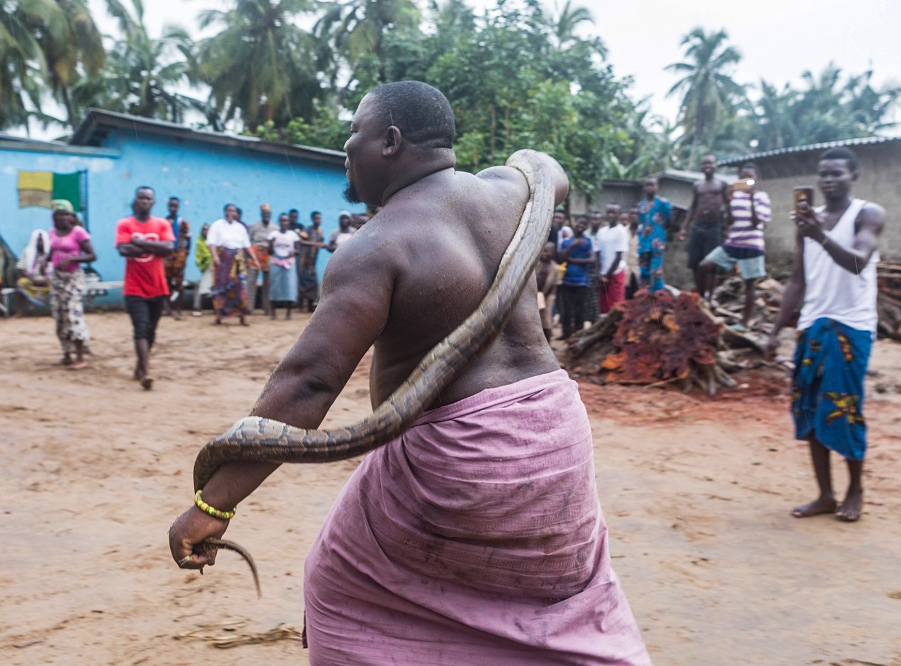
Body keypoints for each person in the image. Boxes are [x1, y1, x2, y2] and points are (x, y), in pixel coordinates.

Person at [169, 80, 649, 664]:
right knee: (552, 602)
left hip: (458, 463)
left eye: (355, 135)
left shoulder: (375, 247)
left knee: (339, 580)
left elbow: (309, 385)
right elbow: (551, 174)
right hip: (557, 440)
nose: (347, 149)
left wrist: (212, 506)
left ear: (391, 142)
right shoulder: (508, 191)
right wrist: (536, 163)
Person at [764, 147, 884, 523]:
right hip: (813, 325)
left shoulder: (867, 214)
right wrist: (774, 330)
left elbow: (858, 261)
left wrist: (819, 234)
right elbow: (797, 281)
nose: (828, 180)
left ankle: (855, 490)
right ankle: (825, 494)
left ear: (854, 176)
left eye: (836, 173)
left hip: (852, 326)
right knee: (810, 408)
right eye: (823, 174)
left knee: (844, 408)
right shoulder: (807, 222)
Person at [698, 163, 772, 329]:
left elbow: (757, 222)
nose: (746, 180)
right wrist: (728, 200)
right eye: (743, 177)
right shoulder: (735, 196)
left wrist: (752, 199)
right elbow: (730, 221)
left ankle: (744, 322)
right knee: (704, 266)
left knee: (749, 284)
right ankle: (705, 303)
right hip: (733, 242)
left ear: (756, 178)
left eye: (750, 177)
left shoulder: (762, 197)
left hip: (752, 244)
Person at [116, 186, 175, 390]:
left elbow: (168, 248)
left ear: (153, 202)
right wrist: (154, 246)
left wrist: (138, 241)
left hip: (158, 287)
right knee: (140, 328)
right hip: (134, 288)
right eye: (141, 198)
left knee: (151, 332)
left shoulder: (161, 224)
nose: (144, 201)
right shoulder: (125, 224)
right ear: (135, 200)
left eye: (148, 198)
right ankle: (146, 373)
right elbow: (123, 250)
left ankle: (140, 366)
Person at [48, 200, 97, 369]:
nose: (62, 218)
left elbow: (92, 255)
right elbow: (53, 250)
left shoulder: (78, 232)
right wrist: (45, 261)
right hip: (57, 278)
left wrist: (72, 259)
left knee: (73, 312)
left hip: (74, 277)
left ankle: (80, 357)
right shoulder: (52, 232)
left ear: (72, 217)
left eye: (66, 214)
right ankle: (66, 354)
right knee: (59, 315)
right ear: (53, 216)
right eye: (59, 214)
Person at [680, 154, 728, 284]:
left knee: (712, 262)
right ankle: (700, 295)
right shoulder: (697, 186)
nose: (707, 166)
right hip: (698, 225)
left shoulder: (721, 185)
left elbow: (728, 207)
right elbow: (693, 206)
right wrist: (684, 227)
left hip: (714, 226)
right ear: (701, 166)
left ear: (715, 165)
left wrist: (727, 227)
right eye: (704, 164)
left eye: (710, 163)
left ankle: (709, 295)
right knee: (695, 262)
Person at [206, 204, 256, 326]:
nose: (231, 213)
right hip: (222, 260)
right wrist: (215, 256)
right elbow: (211, 242)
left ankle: (242, 317)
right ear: (224, 212)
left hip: (238, 261)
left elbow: (247, 246)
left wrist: (255, 259)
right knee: (220, 289)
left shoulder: (240, 227)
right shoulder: (217, 225)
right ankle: (219, 316)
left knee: (241, 288)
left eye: (233, 211)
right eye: (228, 210)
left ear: (236, 213)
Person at [557, 214, 594, 339]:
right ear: (575, 223)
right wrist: (573, 245)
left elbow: (592, 259)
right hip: (567, 279)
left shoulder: (588, 242)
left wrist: (571, 259)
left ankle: (578, 334)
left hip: (582, 281)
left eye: (584, 224)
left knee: (580, 309)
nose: (581, 226)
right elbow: (562, 259)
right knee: (566, 309)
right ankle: (566, 333)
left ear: (586, 227)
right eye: (579, 223)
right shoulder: (566, 242)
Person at [636, 177, 672, 293]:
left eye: (652, 185)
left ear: (657, 186)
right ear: (644, 188)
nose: (650, 187)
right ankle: (646, 298)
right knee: (643, 271)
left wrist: (659, 232)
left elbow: (669, 221)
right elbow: (641, 223)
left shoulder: (663, 203)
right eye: (647, 185)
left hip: (657, 242)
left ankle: (659, 298)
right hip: (644, 242)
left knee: (656, 271)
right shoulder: (641, 205)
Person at [268, 213, 301, 320]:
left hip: (289, 263)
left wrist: (294, 252)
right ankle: (273, 313)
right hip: (276, 262)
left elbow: (297, 250)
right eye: (282, 220)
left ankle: (288, 313)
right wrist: (271, 244)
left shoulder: (293, 235)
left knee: (289, 287)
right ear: (279, 222)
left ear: (288, 222)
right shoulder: (273, 234)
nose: (284, 223)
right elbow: (269, 252)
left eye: (286, 221)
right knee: (274, 286)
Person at [596, 203, 628, 313]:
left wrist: (607, 275)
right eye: (609, 212)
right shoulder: (602, 231)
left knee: (616, 305)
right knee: (603, 305)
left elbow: (618, 256)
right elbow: (598, 254)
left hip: (615, 273)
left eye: (614, 212)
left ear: (619, 214)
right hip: (602, 273)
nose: (611, 215)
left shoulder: (621, 231)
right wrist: (600, 273)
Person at [164, 196, 192, 319]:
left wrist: (186, 252)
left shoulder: (183, 222)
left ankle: (178, 309)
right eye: (171, 205)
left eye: (175, 206)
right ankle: (168, 308)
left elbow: (189, 238)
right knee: (167, 283)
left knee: (179, 284)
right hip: (167, 256)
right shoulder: (164, 222)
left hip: (179, 256)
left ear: (178, 207)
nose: (172, 208)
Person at [13, 229, 51, 317]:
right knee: (21, 283)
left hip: (48, 279)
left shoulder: (50, 253)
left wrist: (46, 278)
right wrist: (32, 278)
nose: (40, 243)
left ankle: (56, 311)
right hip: (31, 278)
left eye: (42, 240)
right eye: (38, 240)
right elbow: (21, 267)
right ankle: (19, 312)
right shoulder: (27, 251)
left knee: (57, 284)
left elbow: (55, 268)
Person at [247, 204, 274, 316]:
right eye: (264, 213)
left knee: (268, 282)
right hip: (255, 254)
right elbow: (248, 241)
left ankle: (266, 308)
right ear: (261, 214)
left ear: (270, 215)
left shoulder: (274, 228)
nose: (266, 215)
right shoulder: (254, 226)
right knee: (251, 281)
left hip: (268, 255)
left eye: (268, 214)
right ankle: (249, 308)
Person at [297, 210, 325, 312]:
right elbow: (300, 241)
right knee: (303, 283)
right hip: (304, 261)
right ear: (312, 219)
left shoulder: (319, 232)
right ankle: (300, 306)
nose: (318, 220)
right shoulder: (307, 229)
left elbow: (321, 242)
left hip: (312, 263)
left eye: (319, 218)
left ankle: (309, 306)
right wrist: (314, 243)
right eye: (316, 218)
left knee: (313, 283)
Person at [535, 241, 559, 342]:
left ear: (553, 253)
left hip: (547, 296)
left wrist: (543, 296)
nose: (544, 254)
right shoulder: (537, 264)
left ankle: (548, 343)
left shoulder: (554, 267)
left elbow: (551, 284)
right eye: (543, 251)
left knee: (546, 319)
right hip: (536, 294)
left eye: (547, 252)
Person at [192, 223, 212, 317]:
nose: (206, 232)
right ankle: (198, 308)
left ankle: (218, 309)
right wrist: (203, 265)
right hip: (205, 267)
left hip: (215, 267)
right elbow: (200, 257)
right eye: (204, 230)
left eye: (207, 230)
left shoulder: (213, 241)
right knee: (202, 287)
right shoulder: (199, 242)